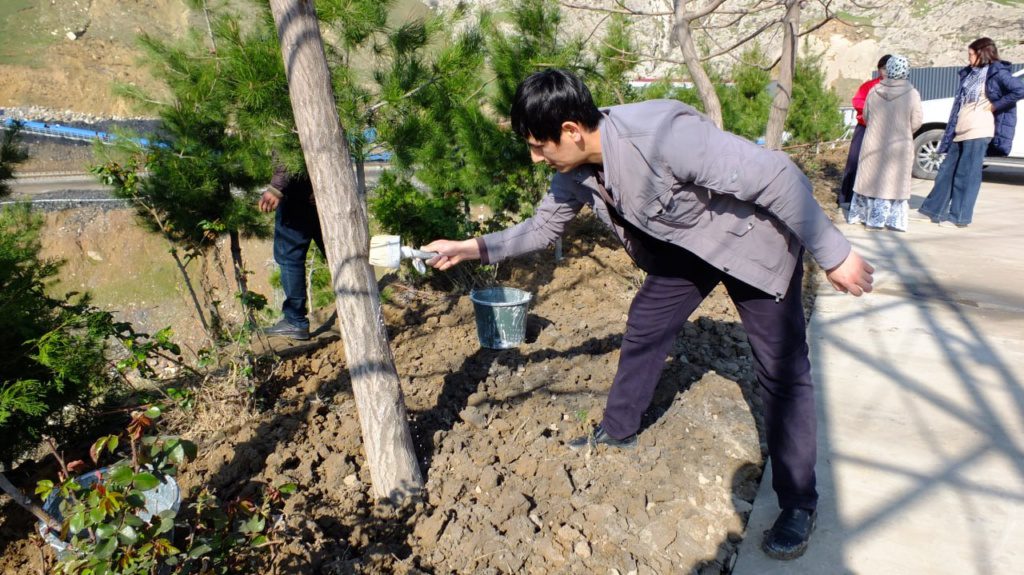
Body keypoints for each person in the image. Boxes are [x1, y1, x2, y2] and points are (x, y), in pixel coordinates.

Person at [423, 69, 874, 561]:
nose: (535, 157)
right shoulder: (574, 173)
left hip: (750, 242)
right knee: (645, 326)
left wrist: (834, 254)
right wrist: (471, 248)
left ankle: (798, 503)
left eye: (538, 145)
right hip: (688, 249)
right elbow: (542, 228)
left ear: (571, 131)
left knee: (782, 370)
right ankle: (618, 430)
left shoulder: (662, 134)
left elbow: (777, 176)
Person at [918, 37, 1024, 228]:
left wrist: (996, 105)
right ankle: (933, 210)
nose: (968, 58)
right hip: (961, 127)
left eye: (971, 54)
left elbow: (1019, 89)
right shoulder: (970, 73)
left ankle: (958, 217)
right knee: (946, 170)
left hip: (979, 129)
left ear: (982, 53)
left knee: (966, 175)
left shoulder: (997, 72)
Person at [847, 55, 922, 231]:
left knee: (870, 179)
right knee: (893, 181)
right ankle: (890, 221)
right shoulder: (911, 94)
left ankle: (866, 217)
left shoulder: (874, 90)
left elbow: (866, 116)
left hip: (873, 142)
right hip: (898, 144)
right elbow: (917, 121)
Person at [259, 164, 325, 341]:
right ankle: (364, 302)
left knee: (289, 255)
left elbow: (287, 154)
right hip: (328, 190)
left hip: (299, 194)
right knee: (338, 251)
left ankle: (295, 320)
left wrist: (276, 187)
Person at [839, 54, 892, 206]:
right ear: (879, 69)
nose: (886, 72)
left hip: (886, 132)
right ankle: (848, 197)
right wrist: (874, 111)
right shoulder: (869, 86)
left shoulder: (899, 89)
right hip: (865, 127)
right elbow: (857, 101)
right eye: (884, 68)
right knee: (855, 160)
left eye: (890, 69)